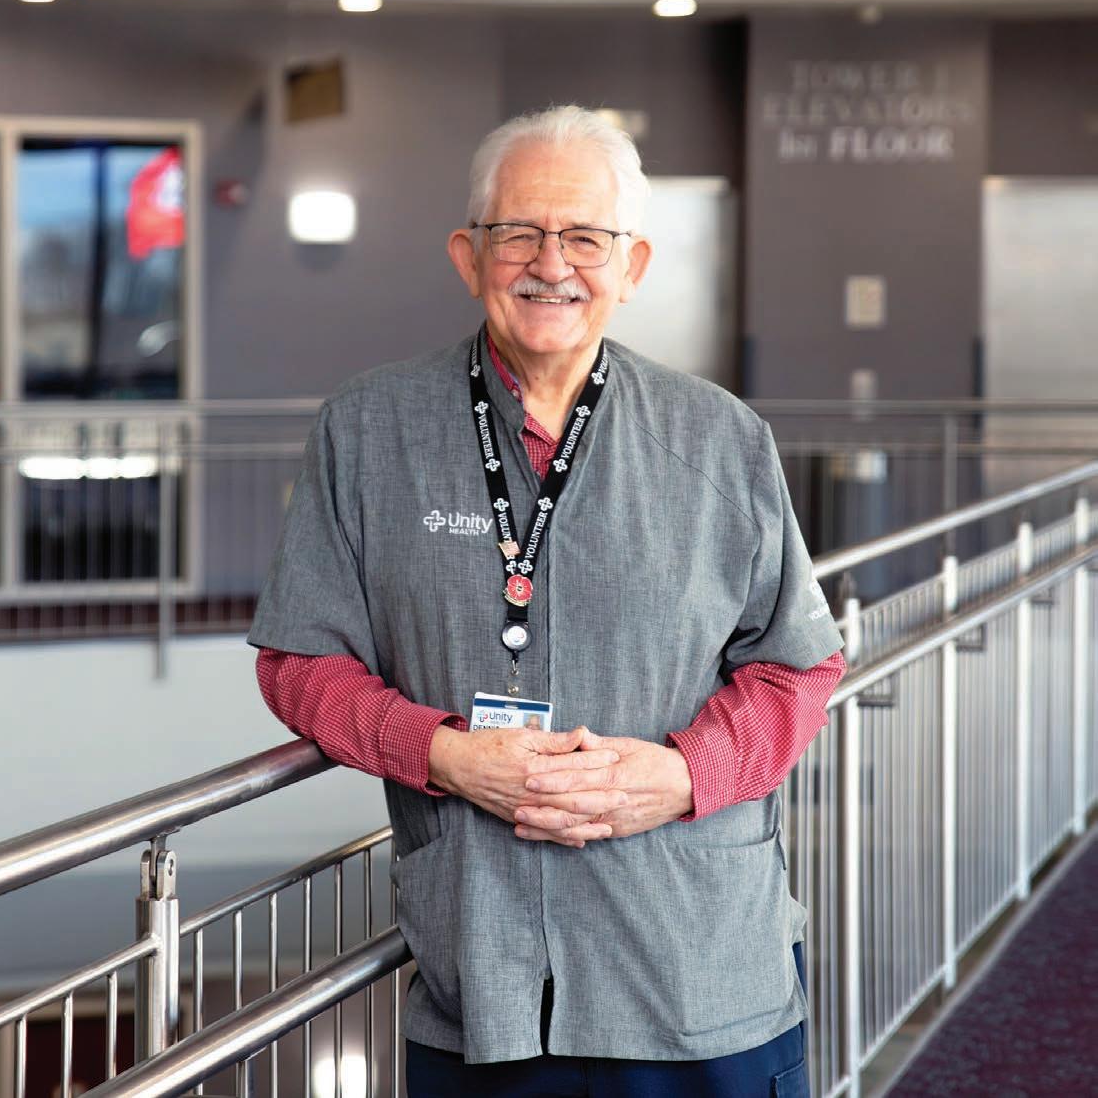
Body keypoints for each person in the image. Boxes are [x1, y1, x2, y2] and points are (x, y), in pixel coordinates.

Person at [249, 105, 846, 1098]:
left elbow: (799, 665)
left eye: (585, 237)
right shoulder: (366, 431)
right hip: (484, 989)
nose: (551, 263)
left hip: (699, 976)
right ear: (468, 255)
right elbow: (299, 660)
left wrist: (683, 774)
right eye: (518, 232)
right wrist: (441, 753)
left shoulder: (722, 439)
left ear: (632, 264)